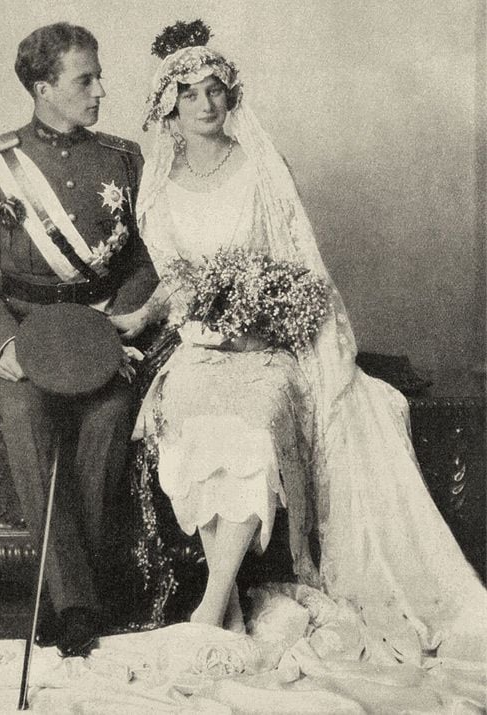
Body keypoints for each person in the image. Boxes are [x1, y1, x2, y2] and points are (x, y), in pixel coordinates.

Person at [124, 21, 487, 664]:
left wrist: (264, 320)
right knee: (190, 422)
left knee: (250, 423)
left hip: (268, 344)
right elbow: (175, 276)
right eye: (190, 94)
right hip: (200, 342)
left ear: (230, 98)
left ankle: (210, 606)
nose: (206, 104)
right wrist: (151, 318)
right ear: (168, 109)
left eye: (215, 91)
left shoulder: (260, 166)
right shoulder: (159, 185)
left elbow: (296, 265)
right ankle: (228, 600)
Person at [0, 22, 158, 657]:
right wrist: (3, 345)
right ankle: (79, 603)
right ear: (43, 87)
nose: (100, 90)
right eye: (84, 79)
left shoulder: (124, 158)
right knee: (28, 409)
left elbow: (146, 261)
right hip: (22, 333)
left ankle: (65, 597)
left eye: (97, 76)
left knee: (112, 410)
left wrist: (120, 326)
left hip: (97, 331)